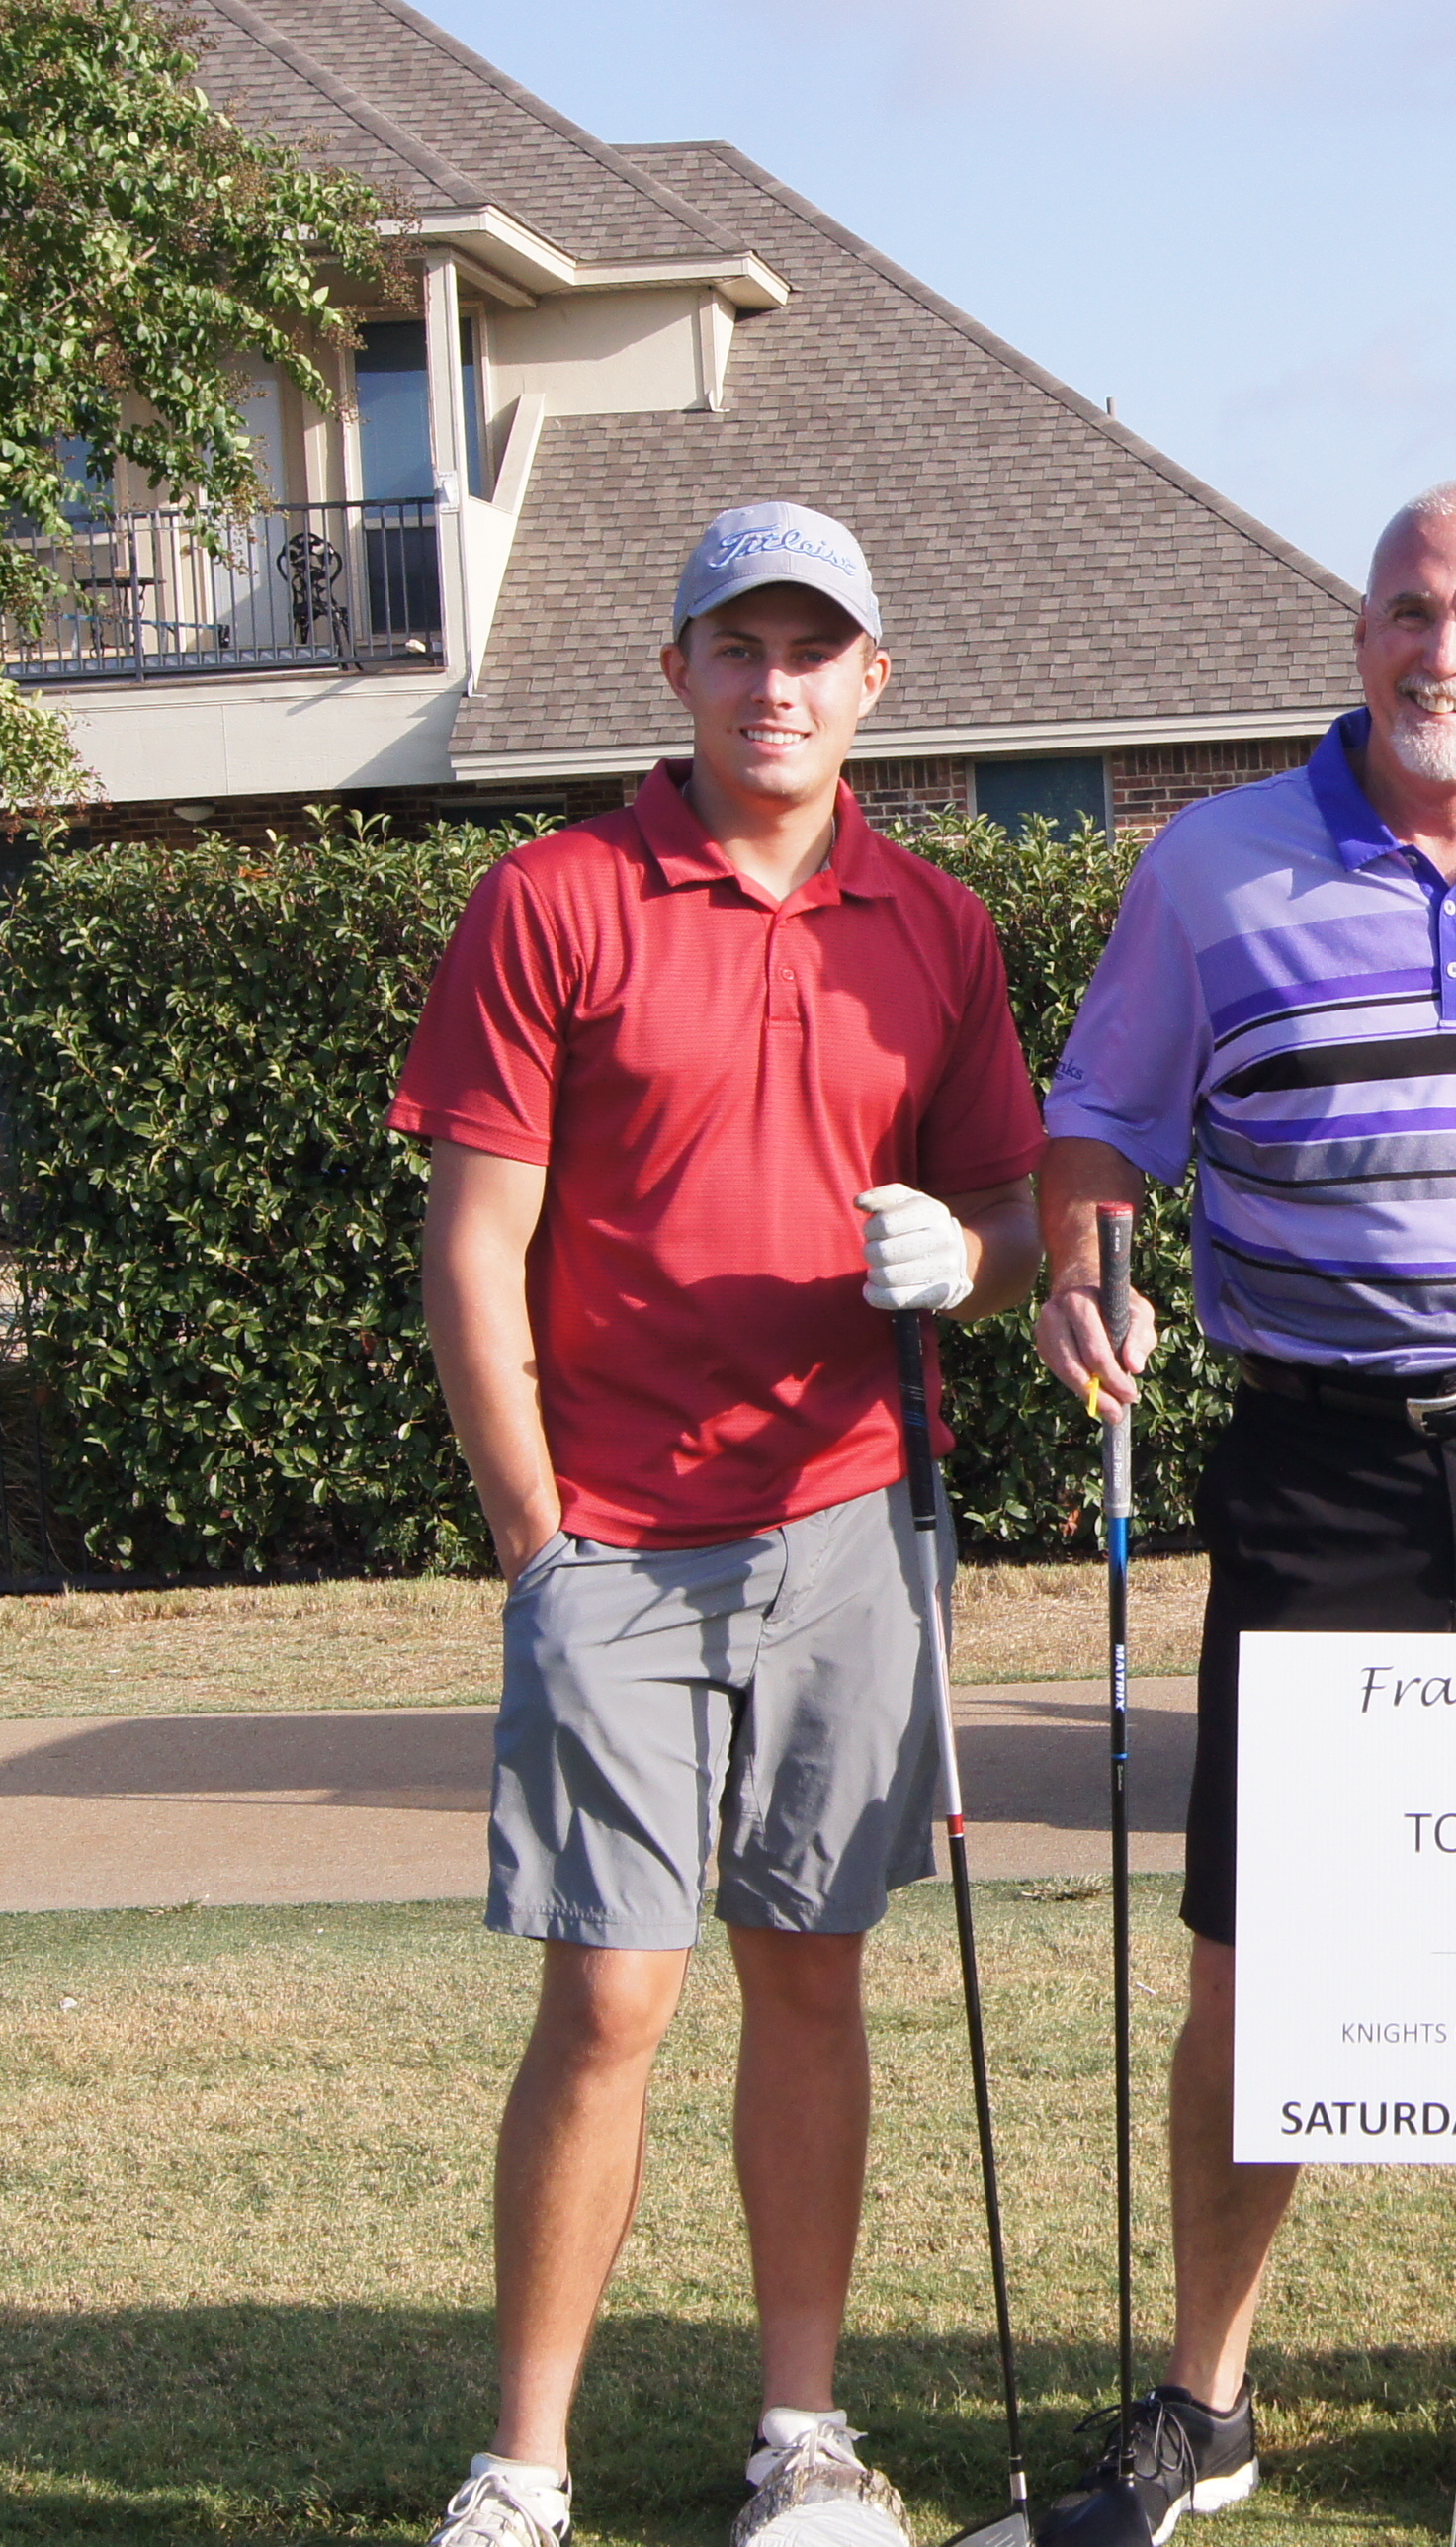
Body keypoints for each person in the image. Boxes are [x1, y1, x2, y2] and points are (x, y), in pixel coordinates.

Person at [1033, 479, 1456, 2547]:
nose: (1444, 653)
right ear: (1360, 630)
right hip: (1321, 1466)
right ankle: (1205, 2394)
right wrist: (1081, 1264)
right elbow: (1099, 1123)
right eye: (1412, 610)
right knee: (1258, 1958)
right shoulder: (1210, 865)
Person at [390, 502, 1049, 2547]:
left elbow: (1017, 1220)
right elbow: (473, 1245)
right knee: (609, 1997)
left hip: (850, 1524)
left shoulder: (935, 926)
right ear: (675, 670)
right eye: (738, 646)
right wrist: (533, 1534)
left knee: (813, 1977)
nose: (777, 685)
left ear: (873, 682)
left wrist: (972, 1261)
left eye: (814, 650)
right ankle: (525, 2463)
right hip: (614, 1534)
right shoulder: (555, 898)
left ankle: (802, 2434)